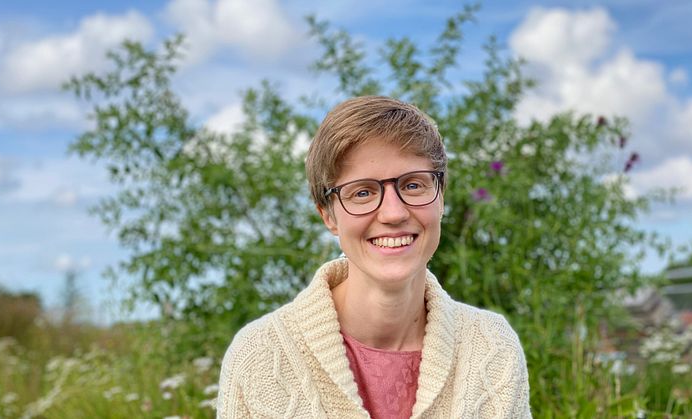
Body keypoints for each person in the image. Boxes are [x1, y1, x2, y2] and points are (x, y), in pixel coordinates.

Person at [217, 96, 531, 418]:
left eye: (413, 185)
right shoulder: (259, 358)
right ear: (328, 215)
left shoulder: (493, 348)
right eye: (363, 192)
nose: (393, 213)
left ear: (441, 198)